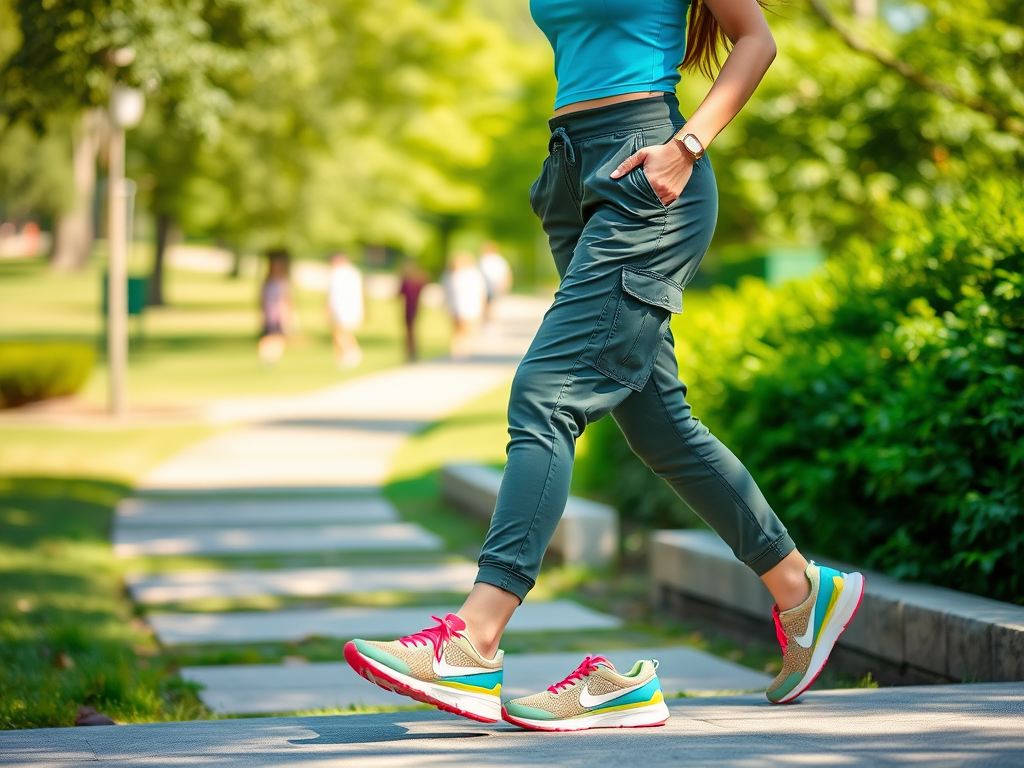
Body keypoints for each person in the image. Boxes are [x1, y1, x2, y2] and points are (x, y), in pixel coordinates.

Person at [345, 0, 864, 731]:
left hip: (648, 167)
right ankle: (802, 589)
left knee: (546, 396)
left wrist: (686, 147)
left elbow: (757, 38)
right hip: (572, 173)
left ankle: (475, 638)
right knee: (658, 425)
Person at [442, 251, 488, 359]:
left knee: (468, 328)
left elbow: (481, 291)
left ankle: (465, 349)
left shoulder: (472, 274)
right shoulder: (450, 275)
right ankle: (458, 350)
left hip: (470, 305)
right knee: (457, 329)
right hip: (456, 306)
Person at [327, 253, 365, 368]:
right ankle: (348, 354)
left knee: (340, 333)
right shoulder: (354, 273)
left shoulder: (337, 274)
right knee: (343, 332)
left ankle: (351, 354)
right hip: (351, 307)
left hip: (342, 308)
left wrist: (328, 309)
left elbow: (333, 295)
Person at [258, 249, 292, 366]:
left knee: (279, 338)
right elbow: (262, 300)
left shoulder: (282, 282)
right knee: (273, 337)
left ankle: (271, 358)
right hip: (272, 314)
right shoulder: (269, 283)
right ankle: (268, 357)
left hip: (279, 313)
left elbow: (287, 300)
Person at [397, 259, 429, 361]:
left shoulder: (408, 282)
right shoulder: (417, 281)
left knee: (409, 332)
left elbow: (398, 295)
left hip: (410, 308)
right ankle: (412, 352)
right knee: (412, 331)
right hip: (414, 308)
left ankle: (411, 352)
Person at [478, 241, 513, 320]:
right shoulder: (483, 259)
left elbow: (506, 273)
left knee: (491, 303)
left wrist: (506, 284)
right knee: (487, 302)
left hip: (495, 284)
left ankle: (489, 318)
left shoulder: (498, 260)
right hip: (485, 285)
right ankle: (488, 317)